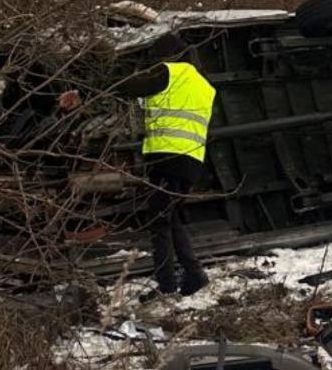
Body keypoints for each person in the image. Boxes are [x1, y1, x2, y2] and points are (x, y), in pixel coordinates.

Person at [59, 35, 216, 299]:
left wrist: (83, 92)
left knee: (158, 221)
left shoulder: (171, 72)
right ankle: (194, 274)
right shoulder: (202, 84)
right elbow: (144, 112)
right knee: (170, 218)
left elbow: (128, 86)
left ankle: (166, 286)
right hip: (190, 161)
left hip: (168, 158)